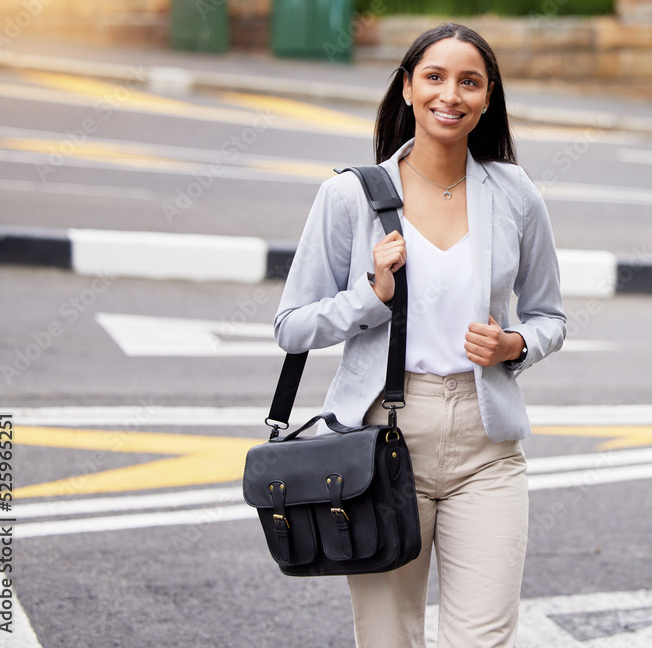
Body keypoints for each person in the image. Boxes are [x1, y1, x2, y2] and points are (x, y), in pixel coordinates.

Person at [273, 22, 566, 648]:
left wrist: (516, 346)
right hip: (381, 438)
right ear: (407, 87)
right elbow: (291, 326)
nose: (450, 95)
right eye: (434, 77)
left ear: (488, 99)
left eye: (469, 82)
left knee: (483, 638)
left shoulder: (515, 194)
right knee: (387, 638)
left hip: (486, 442)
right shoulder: (350, 195)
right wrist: (370, 297)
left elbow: (550, 316)